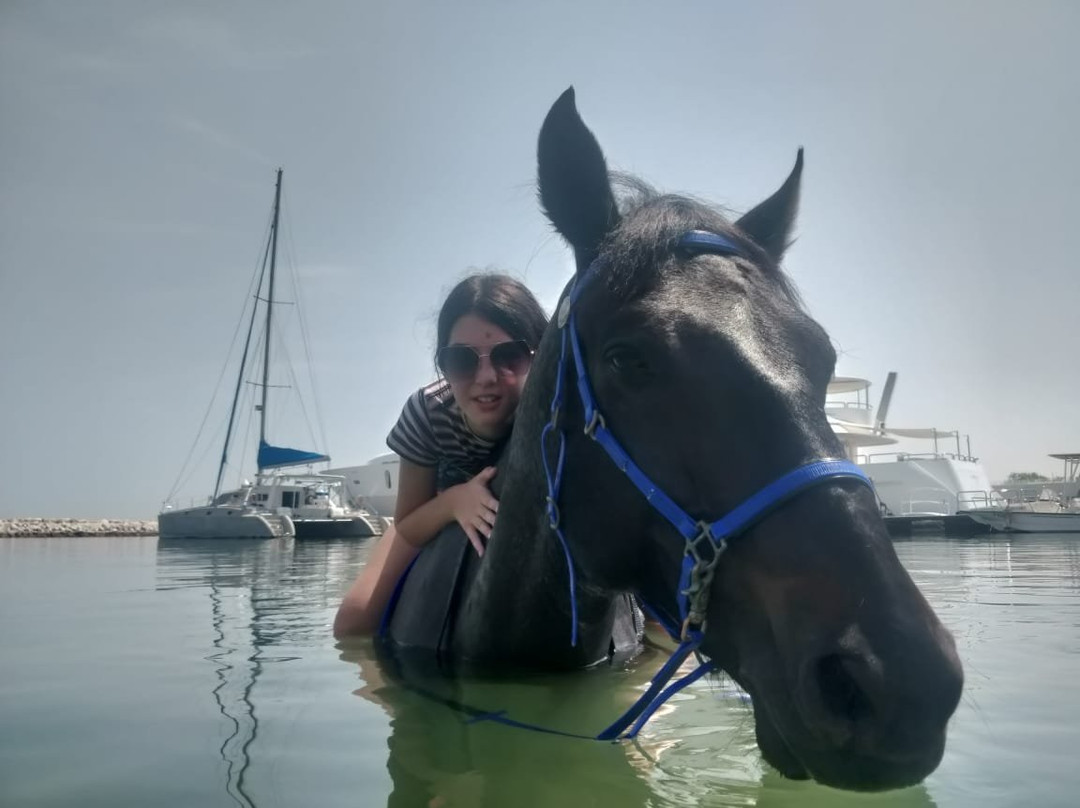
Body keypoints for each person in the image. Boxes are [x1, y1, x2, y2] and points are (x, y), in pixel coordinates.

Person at [334, 273, 549, 637]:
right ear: (443, 364)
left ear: (538, 357)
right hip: (437, 508)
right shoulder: (428, 412)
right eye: (461, 360)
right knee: (352, 622)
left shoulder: (551, 410)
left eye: (508, 355)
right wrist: (454, 501)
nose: (486, 377)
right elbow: (407, 524)